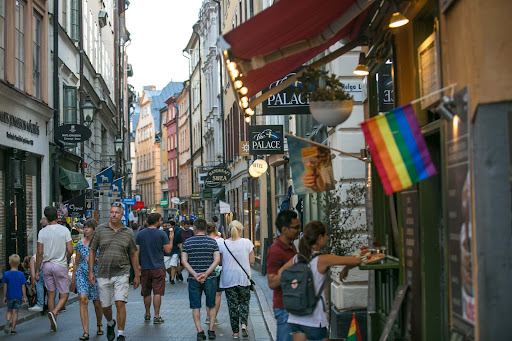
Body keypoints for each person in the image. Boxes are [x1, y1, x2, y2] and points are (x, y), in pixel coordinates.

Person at [278, 221, 361, 341]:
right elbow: (356, 260)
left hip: (295, 317)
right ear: (319, 237)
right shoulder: (322, 259)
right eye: (325, 235)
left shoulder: (297, 258)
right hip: (314, 319)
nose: (327, 238)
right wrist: (347, 268)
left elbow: (281, 273)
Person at [89, 202, 140, 341]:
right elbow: (92, 251)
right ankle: (111, 323)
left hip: (122, 272)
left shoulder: (128, 232)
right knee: (105, 306)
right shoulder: (100, 230)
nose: (113, 215)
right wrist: (91, 272)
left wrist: (137, 275)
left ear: (122, 215)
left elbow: (133, 254)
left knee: (120, 302)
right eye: (112, 212)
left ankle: (121, 333)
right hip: (103, 273)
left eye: (117, 212)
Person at [181, 218, 220, 340]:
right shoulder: (212, 242)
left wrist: (195, 274)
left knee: (195, 306)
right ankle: (211, 330)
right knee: (211, 304)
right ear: (206, 229)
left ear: (195, 228)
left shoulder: (187, 243)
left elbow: (184, 261)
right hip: (210, 278)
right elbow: (217, 260)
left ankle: (199, 331)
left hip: (194, 279)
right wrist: (207, 274)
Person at [35, 206, 73, 332]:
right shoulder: (64, 230)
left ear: (46, 217)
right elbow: (70, 250)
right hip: (60, 264)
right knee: (64, 294)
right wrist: (67, 260)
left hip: (47, 265)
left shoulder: (42, 232)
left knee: (51, 294)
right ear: (57, 215)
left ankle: (53, 322)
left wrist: (36, 270)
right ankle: (55, 312)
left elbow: (39, 253)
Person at [266, 210, 301, 341]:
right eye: (296, 227)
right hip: (284, 307)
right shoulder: (275, 251)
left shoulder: (291, 246)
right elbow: (272, 282)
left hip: (294, 305)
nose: (299, 230)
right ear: (285, 229)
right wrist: (292, 265)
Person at [218, 220, 255, 339]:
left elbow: (219, 261)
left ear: (229, 230)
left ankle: (235, 332)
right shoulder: (247, 242)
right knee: (244, 303)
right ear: (240, 230)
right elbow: (252, 260)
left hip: (228, 279)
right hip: (243, 278)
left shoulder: (223, 244)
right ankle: (243, 324)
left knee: (232, 306)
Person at [71, 219, 104, 340]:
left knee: (97, 303)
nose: (85, 229)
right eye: (84, 227)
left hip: (96, 275)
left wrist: (95, 259)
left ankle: (99, 324)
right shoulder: (80, 244)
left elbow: (104, 259)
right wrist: (73, 279)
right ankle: (85, 331)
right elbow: (76, 263)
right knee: (82, 299)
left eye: (88, 227)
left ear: (94, 230)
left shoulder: (100, 244)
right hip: (82, 274)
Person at [135, 213, 171, 324]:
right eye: (160, 220)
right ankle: (156, 315)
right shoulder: (162, 234)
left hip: (145, 267)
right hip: (158, 266)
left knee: (146, 292)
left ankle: (147, 313)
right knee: (157, 292)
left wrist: (138, 266)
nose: (161, 222)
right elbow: (168, 250)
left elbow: (136, 252)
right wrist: (172, 239)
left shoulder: (140, 234)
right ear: (156, 221)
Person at [2, 254, 27, 335]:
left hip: (10, 296)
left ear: (9, 263)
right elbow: (23, 286)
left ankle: (8, 321)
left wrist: (5, 296)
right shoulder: (21, 274)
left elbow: (5, 286)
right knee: (15, 312)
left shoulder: (6, 274)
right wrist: (24, 297)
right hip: (18, 296)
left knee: (9, 310)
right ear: (19, 263)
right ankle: (13, 329)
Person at [205, 222, 223, 327]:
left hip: (207, 270)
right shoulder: (220, 241)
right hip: (218, 270)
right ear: (215, 229)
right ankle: (213, 317)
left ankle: (208, 316)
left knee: (208, 293)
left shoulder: (205, 240)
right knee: (217, 294)